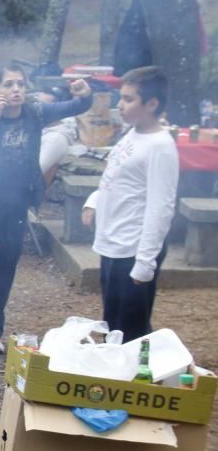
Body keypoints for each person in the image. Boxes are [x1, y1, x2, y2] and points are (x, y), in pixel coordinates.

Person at [0, 64, 94, 353]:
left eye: (20, 83)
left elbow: (77, 106)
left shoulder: (36, 112)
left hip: (17, 202)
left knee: (6, 266)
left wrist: (85, 95)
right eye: (8, 84)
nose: (15, 89)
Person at [82, 66, 178, 340]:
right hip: (113, 244)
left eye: (128, 99)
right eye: (120, 98)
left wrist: (145, 261)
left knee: (131, 332)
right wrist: (94, 201)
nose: (120, 106)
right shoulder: (132, 134)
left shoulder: (160, 146)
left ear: (152, 104)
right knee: (111, 325)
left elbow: (161, 207)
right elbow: (115, 175)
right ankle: (112, 377)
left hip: (134, 249)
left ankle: (133, 380)